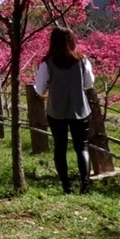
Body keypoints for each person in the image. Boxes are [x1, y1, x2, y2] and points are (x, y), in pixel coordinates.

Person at [35, 27, 95, 194]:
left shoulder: (47, 62)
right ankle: (85, 185)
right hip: (80, 109)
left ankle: (66, 186)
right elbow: (89, 83)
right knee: (82, 147)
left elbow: (40, 89)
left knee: (59, 148)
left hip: (56, 110)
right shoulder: (82, 60)